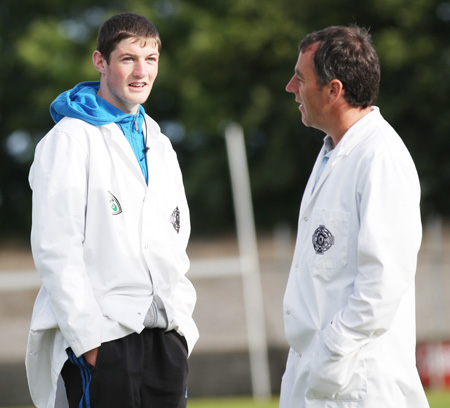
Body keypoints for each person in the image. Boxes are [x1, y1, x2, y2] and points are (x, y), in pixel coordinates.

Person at [25, 12, 198, 408]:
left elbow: (176, 244)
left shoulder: (162, 144)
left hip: (165, 340)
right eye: (127, 59)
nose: (142, 72)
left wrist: (182, 331)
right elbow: (56, 249)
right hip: (105, 343)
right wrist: (90, 343)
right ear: (100, 62)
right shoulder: (67, 140)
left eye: (151, 59)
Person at [280, 25, 429, 407]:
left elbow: (382, 283)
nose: (290, 88)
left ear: (333, 91)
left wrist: (330, 357)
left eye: (300, 79)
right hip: (316, 375)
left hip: (358, 383)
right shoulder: (333, 150)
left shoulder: (381, 159)